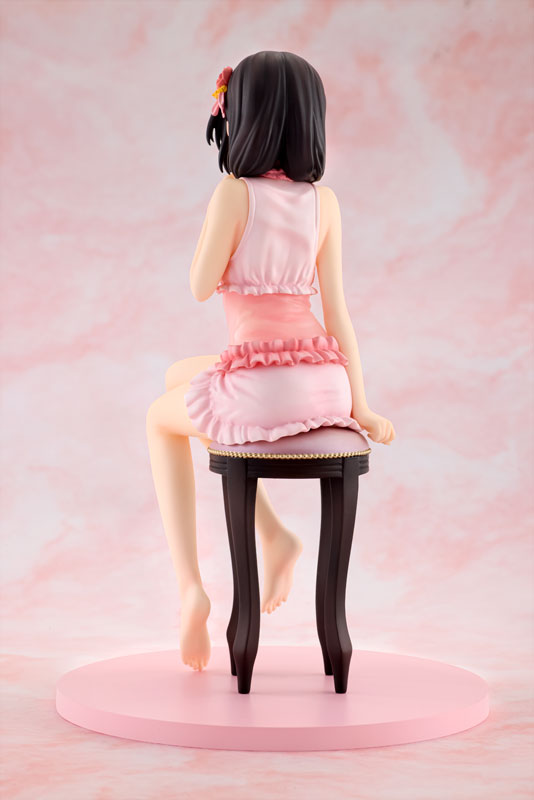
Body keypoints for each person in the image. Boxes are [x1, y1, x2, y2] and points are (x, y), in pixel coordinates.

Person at [146, 51, 395, 673]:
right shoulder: (323, 201)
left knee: (158, 418)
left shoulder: (234, 194)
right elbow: (338, 314)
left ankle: (190, 587)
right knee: (182, 376)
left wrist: (219, 224)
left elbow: (199, 285)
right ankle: (277, 536)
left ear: (242, 118)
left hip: (266, 387)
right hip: (324, 380)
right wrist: (362, 405)